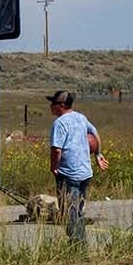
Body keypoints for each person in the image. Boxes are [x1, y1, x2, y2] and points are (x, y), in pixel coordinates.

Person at [47, 90, 107, 243]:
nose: (50, 106)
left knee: (70, 211)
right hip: (85, 173)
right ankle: (79, 241)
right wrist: (98, 154)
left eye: (53, 103)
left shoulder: (59, 123)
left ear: (61, 105)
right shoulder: (81, 118)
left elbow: (56, 149)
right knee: (78, 210)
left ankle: (78, 245)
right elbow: (95, 133)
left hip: (69, 174)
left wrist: (54, 167)